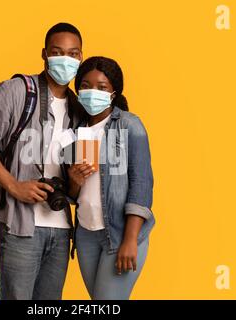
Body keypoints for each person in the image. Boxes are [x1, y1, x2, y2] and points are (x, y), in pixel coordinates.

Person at [0, 23, 85, 300]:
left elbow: (72, 180)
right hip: (19, 227)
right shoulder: (18, 91)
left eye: (73, 54)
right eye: (57, 52)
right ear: (44, 54)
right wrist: (14, 186)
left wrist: (75, 185)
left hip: (62, 231)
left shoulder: (80, 109)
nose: (66, 59)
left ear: (80, 58)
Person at [67, 56, 156, 300]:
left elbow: (142, 183)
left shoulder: (129, 125)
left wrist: (130, 240)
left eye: (101, 87)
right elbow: (75, 193)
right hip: (86, 234)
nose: (92, 91)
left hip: (119, 234)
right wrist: (74, 180)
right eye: (85, 86)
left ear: (113, 92)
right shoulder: (77, 131)